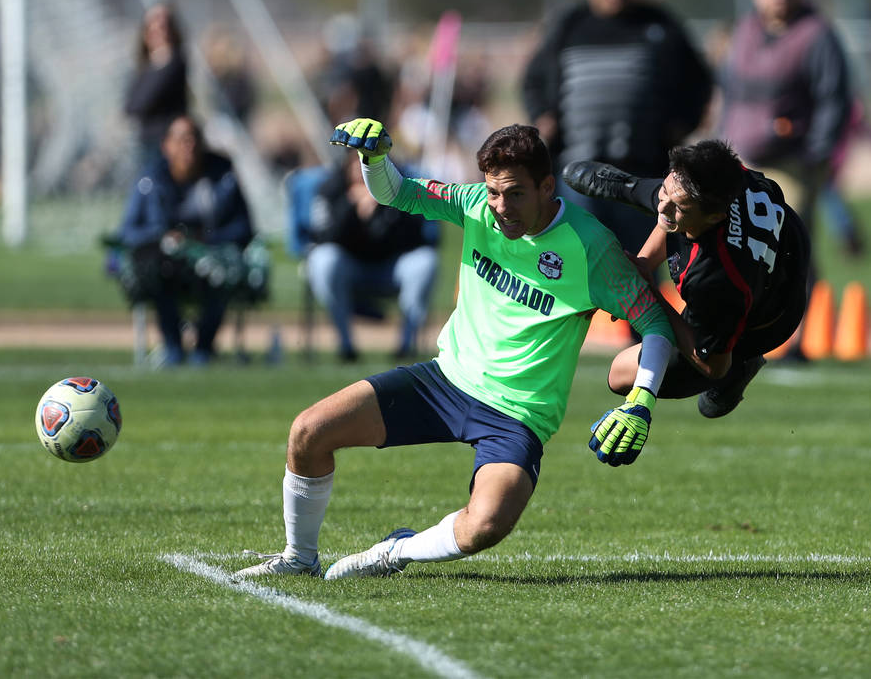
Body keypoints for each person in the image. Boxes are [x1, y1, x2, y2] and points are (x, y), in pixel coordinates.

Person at [234, 118, 676, 580]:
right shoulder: (474, 205)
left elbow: (655, 322)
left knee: (486, 524)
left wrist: (640, 400)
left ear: (547, 186)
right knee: (308, 432)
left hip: (517, 414)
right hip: (444, 382)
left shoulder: (591, 248)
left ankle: (395, 552)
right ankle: (298, 558)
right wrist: (375, 159)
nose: (501, 207)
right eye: (493, 192)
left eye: (515, 193)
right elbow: (396, 193)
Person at [562, 139, 811, 418]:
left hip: (767, 319)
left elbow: (712, 366)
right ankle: (627, 184)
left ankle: (740, 366)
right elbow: (673, 202)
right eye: (666, 190)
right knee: (665, 204)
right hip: (785, 249)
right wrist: (642, 265)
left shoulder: (715, 277)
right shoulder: (719, 177)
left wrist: (647, 293)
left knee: (620, 373)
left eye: (680, 207)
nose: (663, 207)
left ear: (715, 217)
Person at [521, 0, 712, 255]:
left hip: (641, 176)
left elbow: (698, 80)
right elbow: (533, 80)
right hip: (578, 174)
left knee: (640, 267)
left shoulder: (659, 24)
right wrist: (542, 116)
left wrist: (684, 122)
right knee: (580, 263)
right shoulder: (569, 25)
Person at [718, 0, 852, 357]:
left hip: (793, 162)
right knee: (743, 249)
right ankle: (749, 334)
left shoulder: (816, 35)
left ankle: (802, 337)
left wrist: (819, 150)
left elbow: (834, 98)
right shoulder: (745, 30)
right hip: (742, 160)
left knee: (789, 250)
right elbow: (730, 92)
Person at [115, 115, 256, 366]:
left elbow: (244, 227)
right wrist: (163, 238)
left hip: (212, 258)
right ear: (166, 145)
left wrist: (206, 239)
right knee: (154, 269)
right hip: (166, 264)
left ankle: (204, 347)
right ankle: (173, 346)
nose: (188, 145)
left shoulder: (223, 175)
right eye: (181, 139)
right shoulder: (150, 179)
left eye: (194, 138)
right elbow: (128, 230)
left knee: (223, 272)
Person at [304, 152, 440, 361]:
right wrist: (351, 206)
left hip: (393, 267)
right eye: (359, 167)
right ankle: (346, 347)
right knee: (324, 259)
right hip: (350, 268)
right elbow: (322, 236)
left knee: (425, 261)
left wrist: (387, 203)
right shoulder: (331, 188)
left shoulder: (405, 187)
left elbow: (419, 238)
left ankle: (405, 346)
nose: (364, 173)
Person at [124, 3, 189, 167]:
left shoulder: (174, 62)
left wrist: (161, 57)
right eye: (153, 26)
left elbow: (144, 101)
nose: (158, 31)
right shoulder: (146, 65)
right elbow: (130, 106)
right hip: (148, 140)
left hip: (169, 141)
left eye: (163, 25)